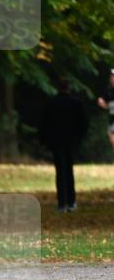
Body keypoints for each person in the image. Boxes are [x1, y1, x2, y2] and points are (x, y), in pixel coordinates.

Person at [39, 79, 87, 211]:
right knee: (69, 171)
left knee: (60, 172)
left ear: (58, 88)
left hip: (56, 142)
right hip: (71, 142)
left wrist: (43, 141)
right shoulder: (76, 104)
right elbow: (83, 124)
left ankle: (61, 203)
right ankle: (71, 202)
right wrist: (79, 139)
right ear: (69, 88)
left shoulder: (51, 104)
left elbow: (43, 124)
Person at [96, 68, 114, 153]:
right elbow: (104, 102)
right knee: (110, 135)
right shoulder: (109, 90)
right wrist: (101, 101)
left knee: (111, 134)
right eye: (111, 76)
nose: (112, 78)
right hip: (112, 118)